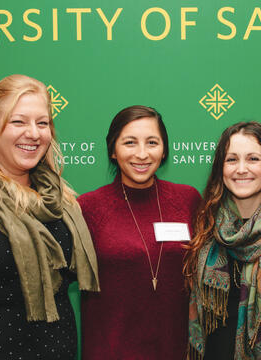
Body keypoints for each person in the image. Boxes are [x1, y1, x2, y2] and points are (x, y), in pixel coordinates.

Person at [0, 74, 99, 360]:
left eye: (42, 123)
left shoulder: (58, 196)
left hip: (56, 349)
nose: (34, 133)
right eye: (18, 122)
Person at [77, 105, 201, 359]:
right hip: (109, 351)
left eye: (152, 142)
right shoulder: (88, 207)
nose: (142, 154)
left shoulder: (187, 199)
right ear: (113, 150)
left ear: (164, 149)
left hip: (175, 349)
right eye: (130, 143)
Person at [184, 121, 261, 360]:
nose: (241, 169)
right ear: (220, 168)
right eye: (231, 159)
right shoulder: (206, 224)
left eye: (253, 159)